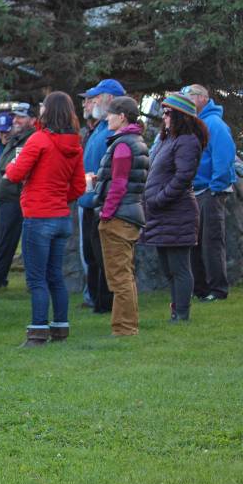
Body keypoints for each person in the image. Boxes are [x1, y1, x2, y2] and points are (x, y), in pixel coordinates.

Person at [5, 91, 85, 347]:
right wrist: (61, 198)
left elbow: (16, 173)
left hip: (39, 216)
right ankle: (60, 328)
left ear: (48, 111)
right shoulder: (74, 144)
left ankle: (38, 331)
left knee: (36, 279)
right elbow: (79, 187)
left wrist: (8, 169)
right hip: (61, 216)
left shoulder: (39, 140)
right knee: (55, 277)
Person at [82, 97, 149, 336]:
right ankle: (127, 325)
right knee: (125, 275)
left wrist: (106, 214)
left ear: (122, 117)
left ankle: (124, 328)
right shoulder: (135, 141)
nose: (107, 117)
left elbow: (119, 184)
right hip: (130, 214)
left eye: (110, 114)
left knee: (119, 277)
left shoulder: (122, 145)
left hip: (119, 217)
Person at [140, 93, 207, 323]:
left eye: (168, 113)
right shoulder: (168, 140)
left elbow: (183, 177)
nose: (164, 117)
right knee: (168, 267)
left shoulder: (187, 141)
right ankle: (176, 310)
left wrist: (159, 198)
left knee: (179, 267)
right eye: (163, 113)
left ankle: (182, 313)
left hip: (177, 213)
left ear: (180, 116)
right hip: (161, 213)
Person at [181, 84, 238, 302]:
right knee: (195, 243)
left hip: (210, 192)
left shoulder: (214, 123)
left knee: (211, 242)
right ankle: (202, 289)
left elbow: (224, 158)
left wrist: (215, 188)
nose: (187, 100)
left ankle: (218, 290)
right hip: (197, 191)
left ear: (203, 98)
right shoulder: (196, 123)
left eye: (190, 96)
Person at [78, 78, 126, 313]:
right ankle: (96, 300)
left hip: (102, 202)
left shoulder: (114, 131)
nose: (92, 101)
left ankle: (106, 303)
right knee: (92, 255)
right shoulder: (99, 127)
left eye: (96, 96)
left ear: (110, 98)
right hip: (89, 200)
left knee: (103, 256)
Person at [0, 103, 36, 297]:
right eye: (15, 117)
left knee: (4, 245)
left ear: (32, 120)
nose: (16, 121)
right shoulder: (14, 140)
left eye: (21, 117)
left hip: (12, 200)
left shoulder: (30, 141)